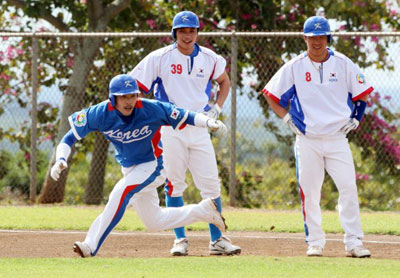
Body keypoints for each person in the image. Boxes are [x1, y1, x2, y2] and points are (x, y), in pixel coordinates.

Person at [50, 74, 228, 258]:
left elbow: (185, 115)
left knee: (121, 191)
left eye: (132, 95)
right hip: (130, 169)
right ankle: (203, 210)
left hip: (154, 166)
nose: (129, 101)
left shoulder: (150, 109)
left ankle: (90, 245)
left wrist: (207, 122)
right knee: (154, 221)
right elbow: (69, 138)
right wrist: (61, 159)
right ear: (113, 99)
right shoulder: (100, 113)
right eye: (123, 96)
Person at [129, 11, 241, 256]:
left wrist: (217, 108)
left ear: (198, 33)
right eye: (182, 31)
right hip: (170, 129)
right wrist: (146, 117)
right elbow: (135, 87)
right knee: (174, 184)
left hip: (200, 127)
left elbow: (225, 81)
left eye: (191, 31)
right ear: (174, 33)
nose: (187, 35)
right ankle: (180, 240)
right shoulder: (160, 58)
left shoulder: (210, 58)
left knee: (211, 185)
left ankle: (218, 240)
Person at [263, 16, 373, 258]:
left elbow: (363, 92)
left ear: (328, 38)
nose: (316, 41)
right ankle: (315, 242)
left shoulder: (343, 63)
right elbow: (270, 93)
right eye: (312, 37)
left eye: (321, 37)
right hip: (308, 138)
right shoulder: (294, 66)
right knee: (310, 192)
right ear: (305, 38)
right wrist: (286, 118)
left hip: (337, 138)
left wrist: (357, 117)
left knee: (348, 188)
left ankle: (354, 242)